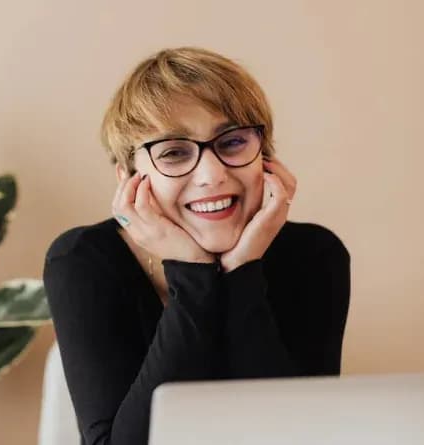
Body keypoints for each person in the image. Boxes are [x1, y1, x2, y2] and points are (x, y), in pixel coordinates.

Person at [43, 47, 350, 445]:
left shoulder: (315, 256)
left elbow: (301, 435)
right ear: (129, 178)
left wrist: (242, 269)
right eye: (173, 152)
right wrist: (191, 271)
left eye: (233, 141)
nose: (212, 174)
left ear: (266, 158)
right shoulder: (83, 261)